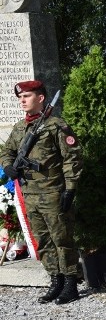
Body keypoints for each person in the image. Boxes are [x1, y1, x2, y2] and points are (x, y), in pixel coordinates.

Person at [1, 80, 82, 304]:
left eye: (26, 96)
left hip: (53, 191)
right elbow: (7, 151)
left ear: (41, 98)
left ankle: (70, 283)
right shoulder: (19, 128)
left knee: (61, 238)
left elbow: (72, 159)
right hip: (30, 193)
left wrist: (70, 188)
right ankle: (55, 281)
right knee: (43, 240)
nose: (22, 101)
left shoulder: (56, 125)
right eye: (20, 98)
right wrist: (8, 166)